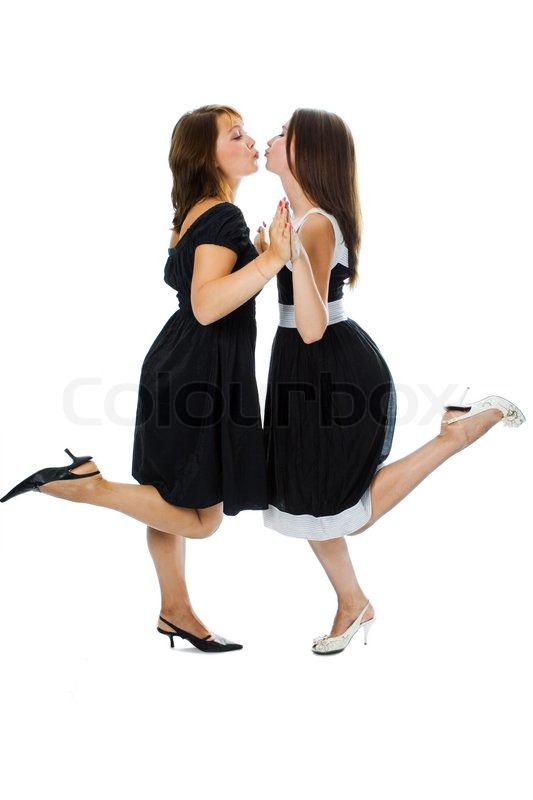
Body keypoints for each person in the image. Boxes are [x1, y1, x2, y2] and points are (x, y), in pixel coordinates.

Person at [0, 104, 293, 653]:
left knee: (165, 498)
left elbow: (206, 290)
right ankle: (89, 486)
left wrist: (252, 260)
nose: (252, 141)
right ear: (208, 155)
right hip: (199, 377)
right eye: (237, 135)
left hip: (180, 367)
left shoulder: (194, 213)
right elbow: (206, 306)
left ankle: (174, 610)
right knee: (202, 520)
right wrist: (271, 260)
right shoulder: (222, 216)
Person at [258, 108, 525, 655]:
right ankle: (353, 602)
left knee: (334, 506)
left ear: (307, 153)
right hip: (305, 369)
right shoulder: (300, 217)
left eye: (284, 133)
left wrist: (289, 255)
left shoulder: (315, 224)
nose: (271, 138)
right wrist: (275, 254)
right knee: (310, 501)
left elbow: (310, 327)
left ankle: (456, 436)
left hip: (327, 369)